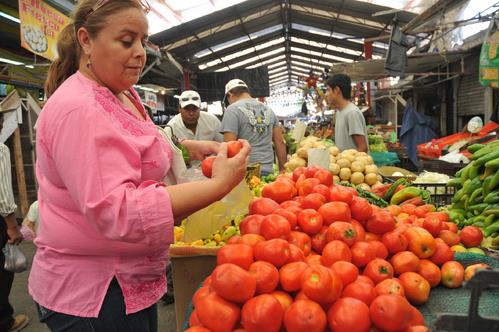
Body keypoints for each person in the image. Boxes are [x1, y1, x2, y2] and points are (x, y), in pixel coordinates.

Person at [29, 1, 250, 331]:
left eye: (143, 41)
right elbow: (116, 211)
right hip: (96, 293)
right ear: (86, 40)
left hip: (127, 281)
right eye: (126, 40)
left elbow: (139, 143)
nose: (140, 53)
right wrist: (216, 186)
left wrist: (192, 146)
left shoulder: (122, 94)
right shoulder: (79, 110)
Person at [0, 112, 29, 332]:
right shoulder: (1, 150)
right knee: (3, 271)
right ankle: (4, 321)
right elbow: (3, 195)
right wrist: (12, 226)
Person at [221, 79, 286, 175]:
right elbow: (280, 142)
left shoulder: (232, 110)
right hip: (269, 170)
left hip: (245, 173)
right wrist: (282, 170)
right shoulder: (269, 110)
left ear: (230, 95)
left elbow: (229, 146)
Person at [325, 74, 368, 152]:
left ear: (337, 90)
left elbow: (362, 148)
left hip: (354, 163)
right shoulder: (339, 112)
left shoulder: (351, 113)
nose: (326, 94)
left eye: (328, 90)